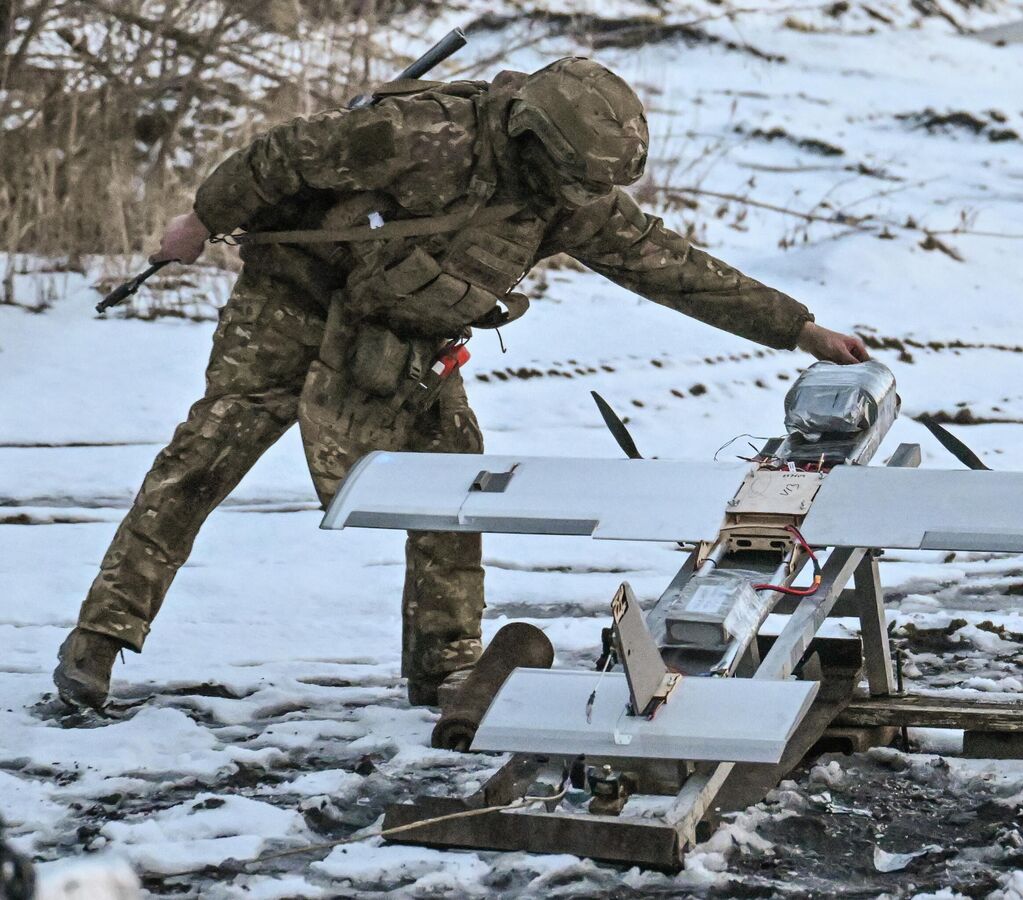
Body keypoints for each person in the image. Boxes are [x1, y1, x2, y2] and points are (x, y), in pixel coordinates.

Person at [54, 57, 870, 710]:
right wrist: (198, 222)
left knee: (454, 477)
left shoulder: (568, 200)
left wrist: (798, 327)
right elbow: (281, 158)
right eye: (575, 181)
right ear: (532, 142)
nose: (585, 202)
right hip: (294, 300)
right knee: (206, 457)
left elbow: (673, 268)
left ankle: (446, 665)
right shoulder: (416, 134)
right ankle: (98, 639)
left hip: (404, 336)